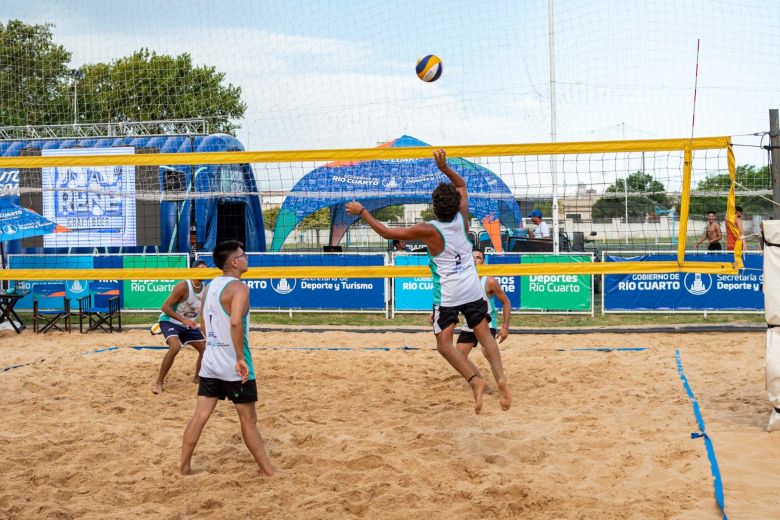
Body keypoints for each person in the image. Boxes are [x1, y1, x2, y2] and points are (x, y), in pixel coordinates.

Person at [346, 149, 511, 415]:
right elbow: (461, 184)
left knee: (444, 345)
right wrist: (444, 167)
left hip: (448, 294)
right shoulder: (462, 217)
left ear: (434, 207)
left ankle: (475, 379)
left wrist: (362, 210)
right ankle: (500, 377)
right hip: (472, 288)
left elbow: (387, 231)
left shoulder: (428, 230)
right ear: (456, 204)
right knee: (484, 335)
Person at [180, 241, 278, 476]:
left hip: (210, 364)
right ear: (234, 262)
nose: (247, 258)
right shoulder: (239, 288)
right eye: (243, 255)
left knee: (200, 416)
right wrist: (239, 358)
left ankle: (182, 468)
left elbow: (204, 324)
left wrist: (215, 344)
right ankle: (268, 471)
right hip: (234, 366)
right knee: (248, 420)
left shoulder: (211, 285)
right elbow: (235, 322)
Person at [455, 249, 511, 393]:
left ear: (483, 262)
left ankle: (501, 381)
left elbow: (506, 302)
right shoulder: (461, 280)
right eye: (472, 257)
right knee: (458, 356)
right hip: (469, 322)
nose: (474, 260)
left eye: (478, 258)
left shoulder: (489, 281)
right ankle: (481, 384)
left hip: (487, 321)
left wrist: (505, 327)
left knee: (488, 352)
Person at [152, 260, 208, 394]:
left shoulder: (205, 288)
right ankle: (159, 382)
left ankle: (197, 378)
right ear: (193, 271)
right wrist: (184, 320)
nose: (205, 272)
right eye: (201, 269)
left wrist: (205, 331)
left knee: (205, 348)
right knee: (175, 346)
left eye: (206, 269)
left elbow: (202, 313)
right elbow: (164, 307)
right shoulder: (183, 286)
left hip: (188, 324)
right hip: (170, 321)